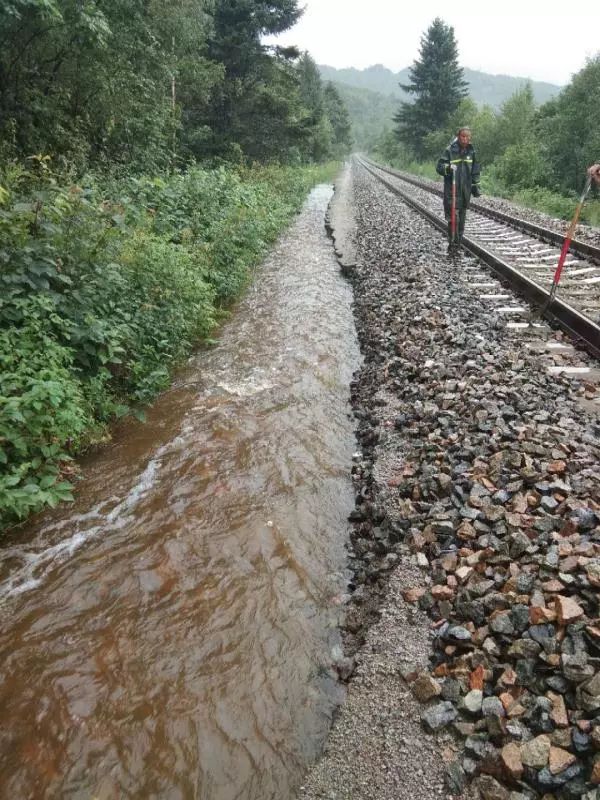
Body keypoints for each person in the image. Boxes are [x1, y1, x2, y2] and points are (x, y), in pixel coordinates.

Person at [436, 126, 481, 249]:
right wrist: (448, 168)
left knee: (461, 220)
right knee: (453, 218)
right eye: (463, 136)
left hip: (465, 191)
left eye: (467, 137)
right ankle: (452, 242)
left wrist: (475, 186)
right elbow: (439, 167)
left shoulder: (472, 152)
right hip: (452, 190)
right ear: (458, 136)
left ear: (470, 138)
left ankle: (459, 243)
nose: (465, 139)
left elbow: (475, 171)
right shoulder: (450, 150)